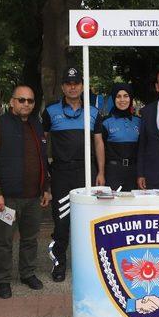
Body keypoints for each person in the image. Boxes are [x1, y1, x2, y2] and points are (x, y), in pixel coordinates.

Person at [0, 85, 52, 299]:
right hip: (6, 198)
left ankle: (27, 273)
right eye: (21, 100)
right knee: (4, 241)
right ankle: (3, 279)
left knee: (30, 239)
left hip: (33, 197)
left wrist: (46, 188)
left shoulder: (36, 124)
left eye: (30, 101)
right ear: (12, 102)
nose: (26, 104)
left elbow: (43, 159)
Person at [43, 67, 105, 282]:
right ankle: (59, 262)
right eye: (68, 83)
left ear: (82, 86)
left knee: (89, 219)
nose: (72, 87)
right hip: (61, 172)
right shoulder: (50, 112)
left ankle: (90, 265)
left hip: (87, 172)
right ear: (63, 87)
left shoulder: (93, 112)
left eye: (76, 83)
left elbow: (98, 142)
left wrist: (101, 172)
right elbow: (43, 142)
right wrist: (46, 174)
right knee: (62, 221)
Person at [102, 83, 141, 191]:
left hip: (134, 173)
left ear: (131, 98)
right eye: (118, 96)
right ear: (114, 98)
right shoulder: (105, 122)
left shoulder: (139, 122)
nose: (122, 100)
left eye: (126, 96)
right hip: (113, 172)